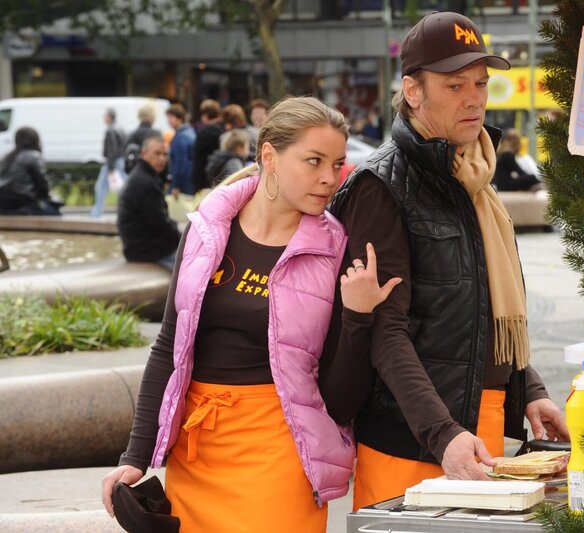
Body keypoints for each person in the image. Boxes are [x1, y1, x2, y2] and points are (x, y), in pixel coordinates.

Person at [101, 96, 400, 532]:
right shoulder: (206, 227)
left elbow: (340, 400)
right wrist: (135, 456)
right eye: (313, 161)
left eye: (336, 165)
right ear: (269, 156)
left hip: (281, 448)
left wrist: (358, 316)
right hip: (197, 448)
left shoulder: (336, 247)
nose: (328, 179)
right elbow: (170, 346)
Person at [330, 11, 569, 511]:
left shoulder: (475, 176)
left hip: (479, 428)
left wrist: (530, 389)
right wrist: (443, 434)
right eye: (456, 84)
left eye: (480, 83)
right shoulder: (380, 186)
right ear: (413, 92)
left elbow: (490, 307)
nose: (475, 97)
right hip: (414, 439)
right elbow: (383, 330)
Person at [117, 136, 181, 270]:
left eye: (164, 154)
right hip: (146, 250)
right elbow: (160, 222)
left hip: (138, 247)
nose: (162, 158)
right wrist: (183, 240)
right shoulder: (146, 183)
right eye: (157, 153)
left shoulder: (141, 175)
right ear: (143, 153)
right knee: (195, 270)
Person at [0, 127, 60, 216]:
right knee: (55, 214)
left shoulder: (7, 157)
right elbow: (42, 185)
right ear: (36, 140)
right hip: (22, 203)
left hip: (3, 204)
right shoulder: (33, 156)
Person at [90, 109, 127, 218]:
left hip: (112, 162)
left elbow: (112, 149)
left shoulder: (110, 130)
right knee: (124, 187)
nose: (104, 118)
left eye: (105, 116)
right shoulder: (120, 128)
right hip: (120, 161)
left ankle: (95, 214)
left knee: (100, 188)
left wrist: (110, 167)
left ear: (110, 117)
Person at [190, 99, 225, 194]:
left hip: (205, 182)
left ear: (205, 116)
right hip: (223, 179)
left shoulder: (204, 133)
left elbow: (198, 161)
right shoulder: (226, 129)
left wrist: (196, 185)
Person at [165, 104, 196, 197]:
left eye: (171, 117)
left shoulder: (181, 137)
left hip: (183, 185)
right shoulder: (190, 132)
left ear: (179, 118)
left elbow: (180, 162)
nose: (168, 121)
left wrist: (176, 185)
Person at [123, 102, 162, 173]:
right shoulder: (156, 134)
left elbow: (124, 153)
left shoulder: (132, 134)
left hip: (134, 173)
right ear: (153, 117)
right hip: (152, 172)